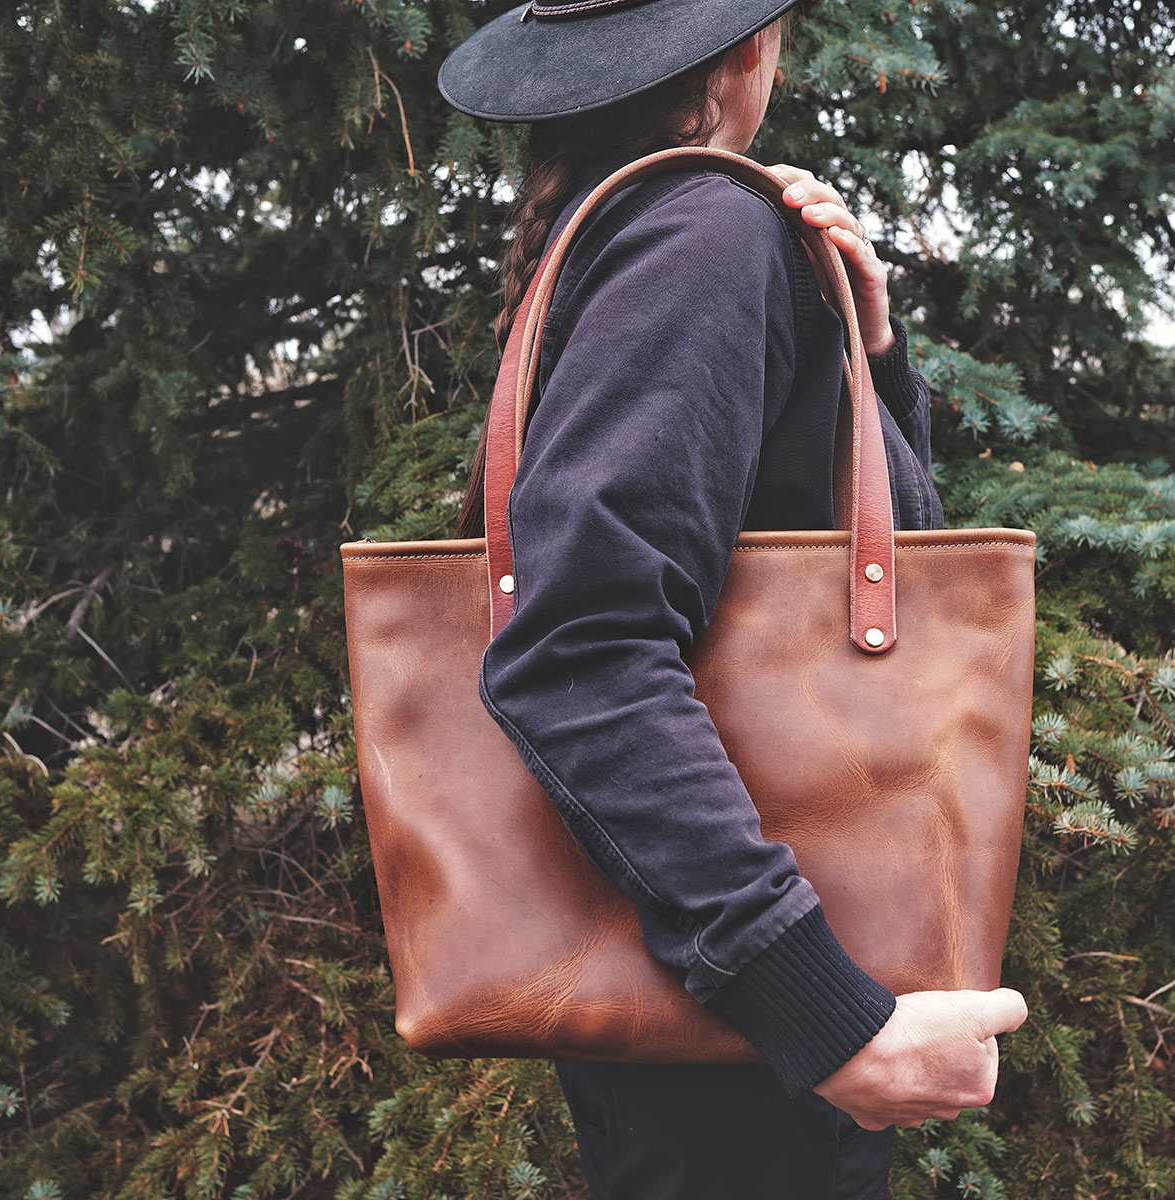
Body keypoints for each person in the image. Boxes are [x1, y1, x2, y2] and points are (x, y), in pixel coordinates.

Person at [437, 2, 1028, 1195]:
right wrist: (823, 1013)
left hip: (731, 1024)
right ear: (750, 52)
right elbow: (578, 652)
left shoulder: (661, 232)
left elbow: (869, 549)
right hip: (751, 1050)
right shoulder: (704, 230)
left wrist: (869, 354)